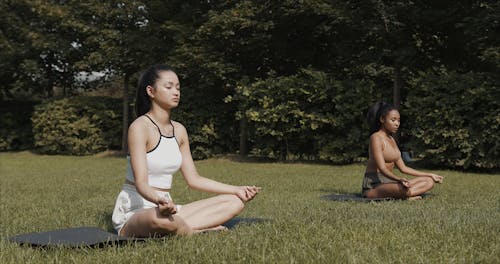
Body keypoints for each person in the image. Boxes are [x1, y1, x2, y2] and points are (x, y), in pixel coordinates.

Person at [112, 64, 260, 237]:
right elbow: (141, 183)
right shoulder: (139, 127)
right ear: (151, 91)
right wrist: (159, 199)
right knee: (158, 219)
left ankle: (179, 227)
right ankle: (194, 231)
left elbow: (194, 179)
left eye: (178, 87)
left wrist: (236, 189)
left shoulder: (179, 130)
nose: (176, 92)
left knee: (235, 202)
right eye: (168, 87)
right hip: (137, 211)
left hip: (168, 209)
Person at [361, 101, 444, 200]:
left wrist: (430, 174)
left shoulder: (392, 140)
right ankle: (406, 195)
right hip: (374, 185)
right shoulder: (376, 138)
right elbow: (382, 168)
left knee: (429, 181)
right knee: (402, 188)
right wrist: (398, 179)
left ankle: (406, 194)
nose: (397, 124)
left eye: (398, 120)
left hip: (390, 182)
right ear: (382, 119)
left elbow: (403, 168)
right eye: (393, 120)